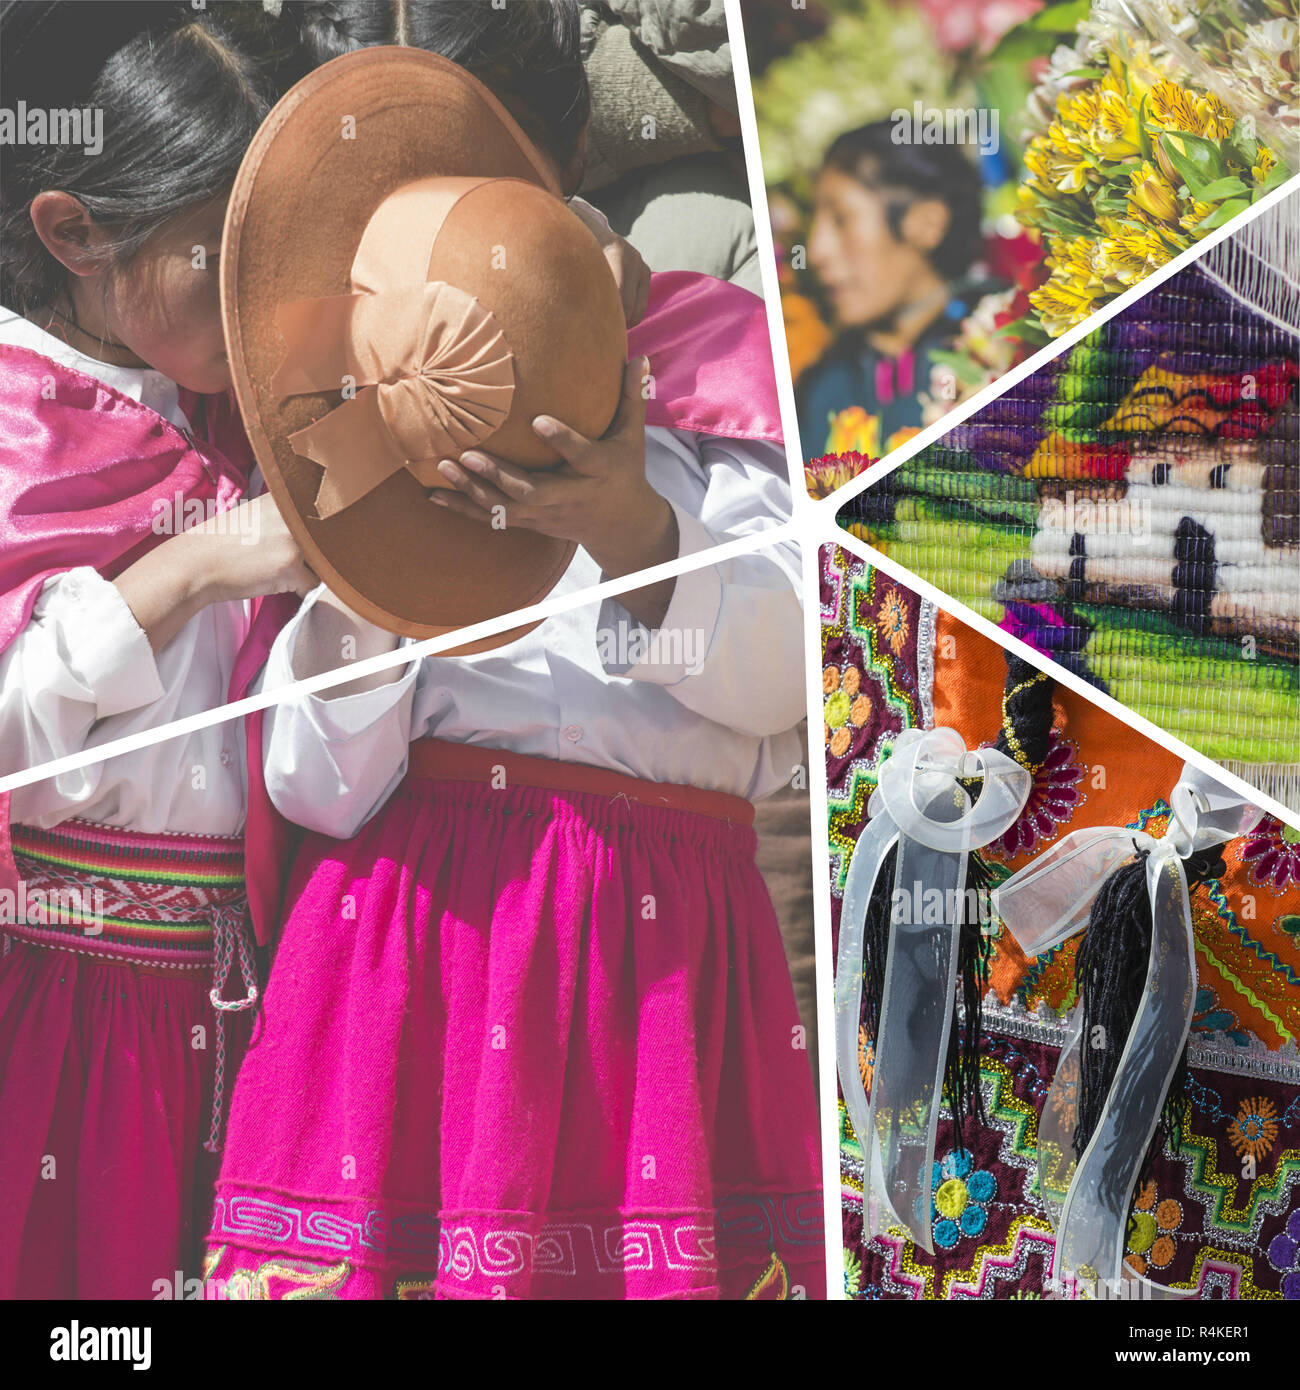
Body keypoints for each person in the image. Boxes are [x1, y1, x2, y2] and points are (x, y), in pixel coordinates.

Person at [204, 1, 823, 1303]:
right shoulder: (372, 431)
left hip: (652, 959)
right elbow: (316, 787)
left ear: (573, 180)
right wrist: (375, 574)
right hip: (415, 953)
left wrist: (632, 530)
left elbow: (782, 688)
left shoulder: (725, 389)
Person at [0, 0, 316, 1299]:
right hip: (51, 1005)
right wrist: (186, 571)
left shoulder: (256, 417)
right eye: (217, 257)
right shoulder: (14, 420)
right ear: (75, 230)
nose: (260, 299)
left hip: (236, 1010)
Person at [797, 120, 986, 457]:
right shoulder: (824, 388)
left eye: (841, 219)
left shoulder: (1002, 343)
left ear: (927, 223)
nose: (816, 251)